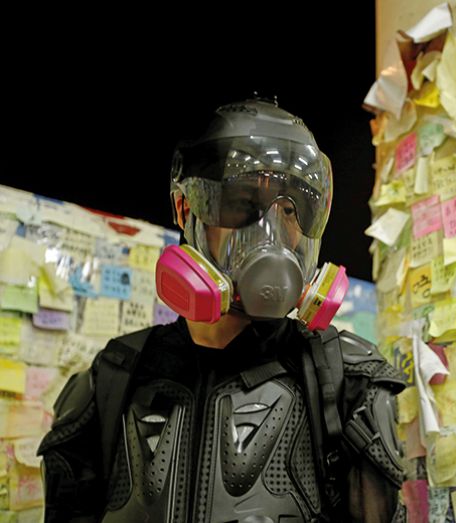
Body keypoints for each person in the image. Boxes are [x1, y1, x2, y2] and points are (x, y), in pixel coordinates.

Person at [37, 98, 407, 522]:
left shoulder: (347, 384)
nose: (273, 232)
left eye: (290, 211)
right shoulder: (115, 377)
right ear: (185, 208)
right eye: (245, 203)